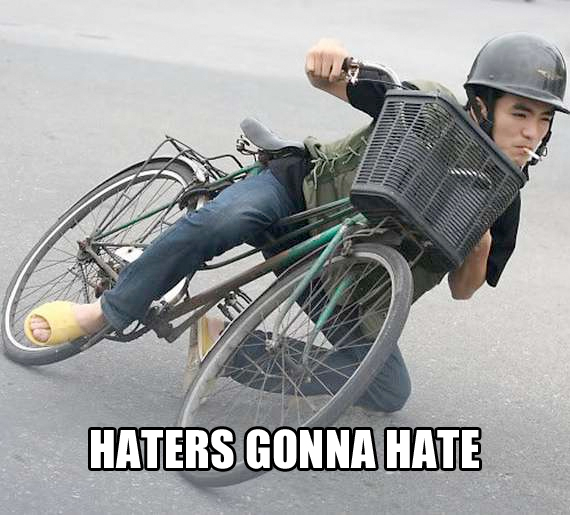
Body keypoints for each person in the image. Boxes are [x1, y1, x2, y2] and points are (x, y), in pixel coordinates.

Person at [25, 33, 568, 412]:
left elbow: (464, 290)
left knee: (389, 391)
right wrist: (327, 60)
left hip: (337, 272)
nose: (532, 132)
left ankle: (220, 344)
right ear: (481, 104)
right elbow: (344, 81)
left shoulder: (503, 196)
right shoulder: (431, 109)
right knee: (226, 219)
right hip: (296, 198)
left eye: (544, 120)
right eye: (520, 113)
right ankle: (103, 312)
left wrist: (479, 246)